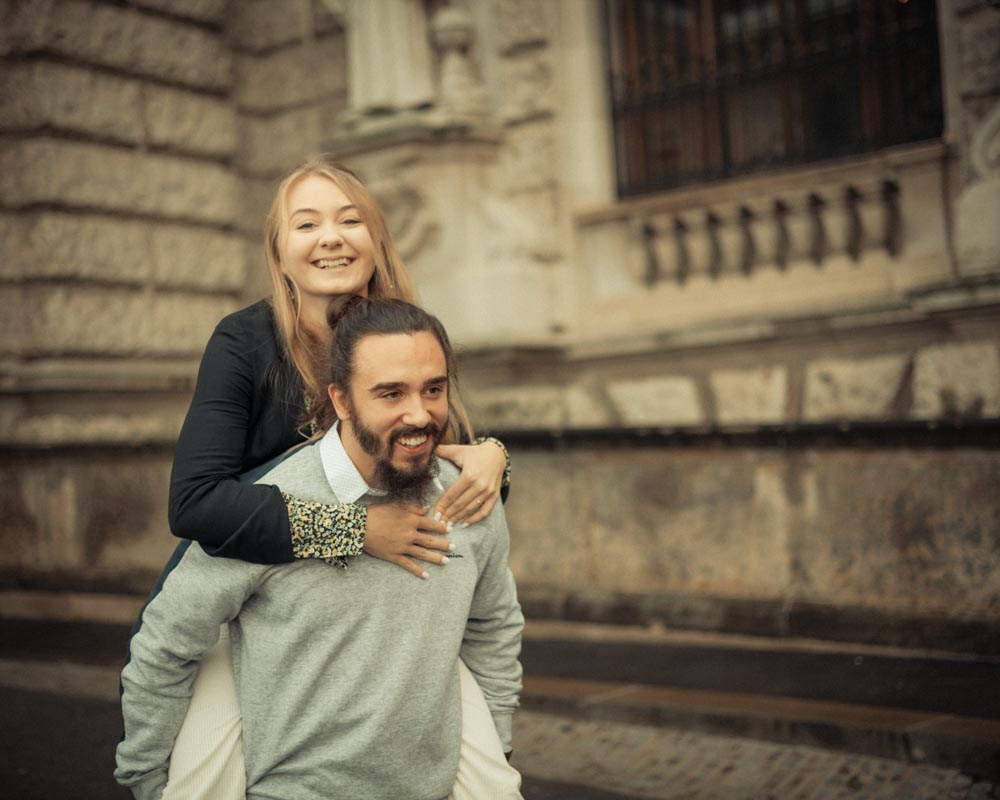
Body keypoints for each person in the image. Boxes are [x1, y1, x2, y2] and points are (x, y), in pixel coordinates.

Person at [132, 157, 515, 797]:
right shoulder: (244, 341)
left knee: (491, 779)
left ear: (377, 241)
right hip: (245, 593)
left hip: (380, 615)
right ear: (280, 254)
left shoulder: (400, 330)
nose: (331, 236)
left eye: (350, 219)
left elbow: (430, 454)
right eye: (306, 223)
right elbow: (195, 503)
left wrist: (494, 456)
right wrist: (352, 528)